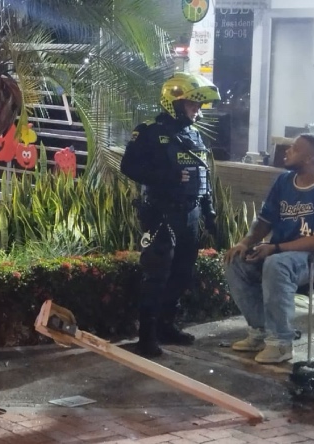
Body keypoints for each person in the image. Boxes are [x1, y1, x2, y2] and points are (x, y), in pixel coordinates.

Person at [223, 133, 314, 364]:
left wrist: (275, 248)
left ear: (310, 157)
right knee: (237, 261)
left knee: (276, 263)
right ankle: (260, 332)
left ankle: (281, 343)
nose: (287, 151)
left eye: (294, 148)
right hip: (283, 254)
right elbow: (264, 222)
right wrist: (244, 243)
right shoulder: (283, 182)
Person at [121, 72, 221, 357]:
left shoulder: (194, 134)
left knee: (182, 273)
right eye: (193, 106)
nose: (197, 111)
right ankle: (146, 337)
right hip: (159, 212)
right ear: (174, 102)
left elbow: (203, 174)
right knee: (157, 273)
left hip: (189, 214)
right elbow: (129, 167)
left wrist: (209, 211)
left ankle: (166, 325)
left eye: (198, 107)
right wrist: (167, 176)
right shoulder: (149, 132)